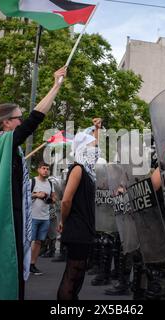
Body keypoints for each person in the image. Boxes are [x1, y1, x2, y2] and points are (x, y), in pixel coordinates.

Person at [0, 66, 67, 300]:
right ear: (7, 124)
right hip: (4, 221)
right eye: (18, 117)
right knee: (4, 269)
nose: (22, 121)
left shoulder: (7, 149)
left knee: (10, 268)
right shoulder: (2, 144)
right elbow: (35, 119)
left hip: (12, 219)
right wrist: (56, 85)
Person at [57, 120, 101, 300]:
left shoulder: (88, 172)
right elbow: (66, 200)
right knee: (72, 274)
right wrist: (63, 221)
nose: (95, 148)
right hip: (77, 228)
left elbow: (94, 146)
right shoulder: (77, 169)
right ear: (82, 148)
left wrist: (97, 129)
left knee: (79, 273)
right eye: (91, 145)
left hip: (84, 228)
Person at [30, 161, 56, 275]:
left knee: (39, 242)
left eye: (47, 169)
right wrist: (36, 195)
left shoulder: (50, 183)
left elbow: (54, 199)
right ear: (38, 170)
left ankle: (32, 264)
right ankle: (24, 264)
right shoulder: (32, 181)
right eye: (43, 168)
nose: (46, 170)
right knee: (28, 242)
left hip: (45, 217)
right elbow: (24, 195)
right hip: (32, 216)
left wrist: (50, 199)